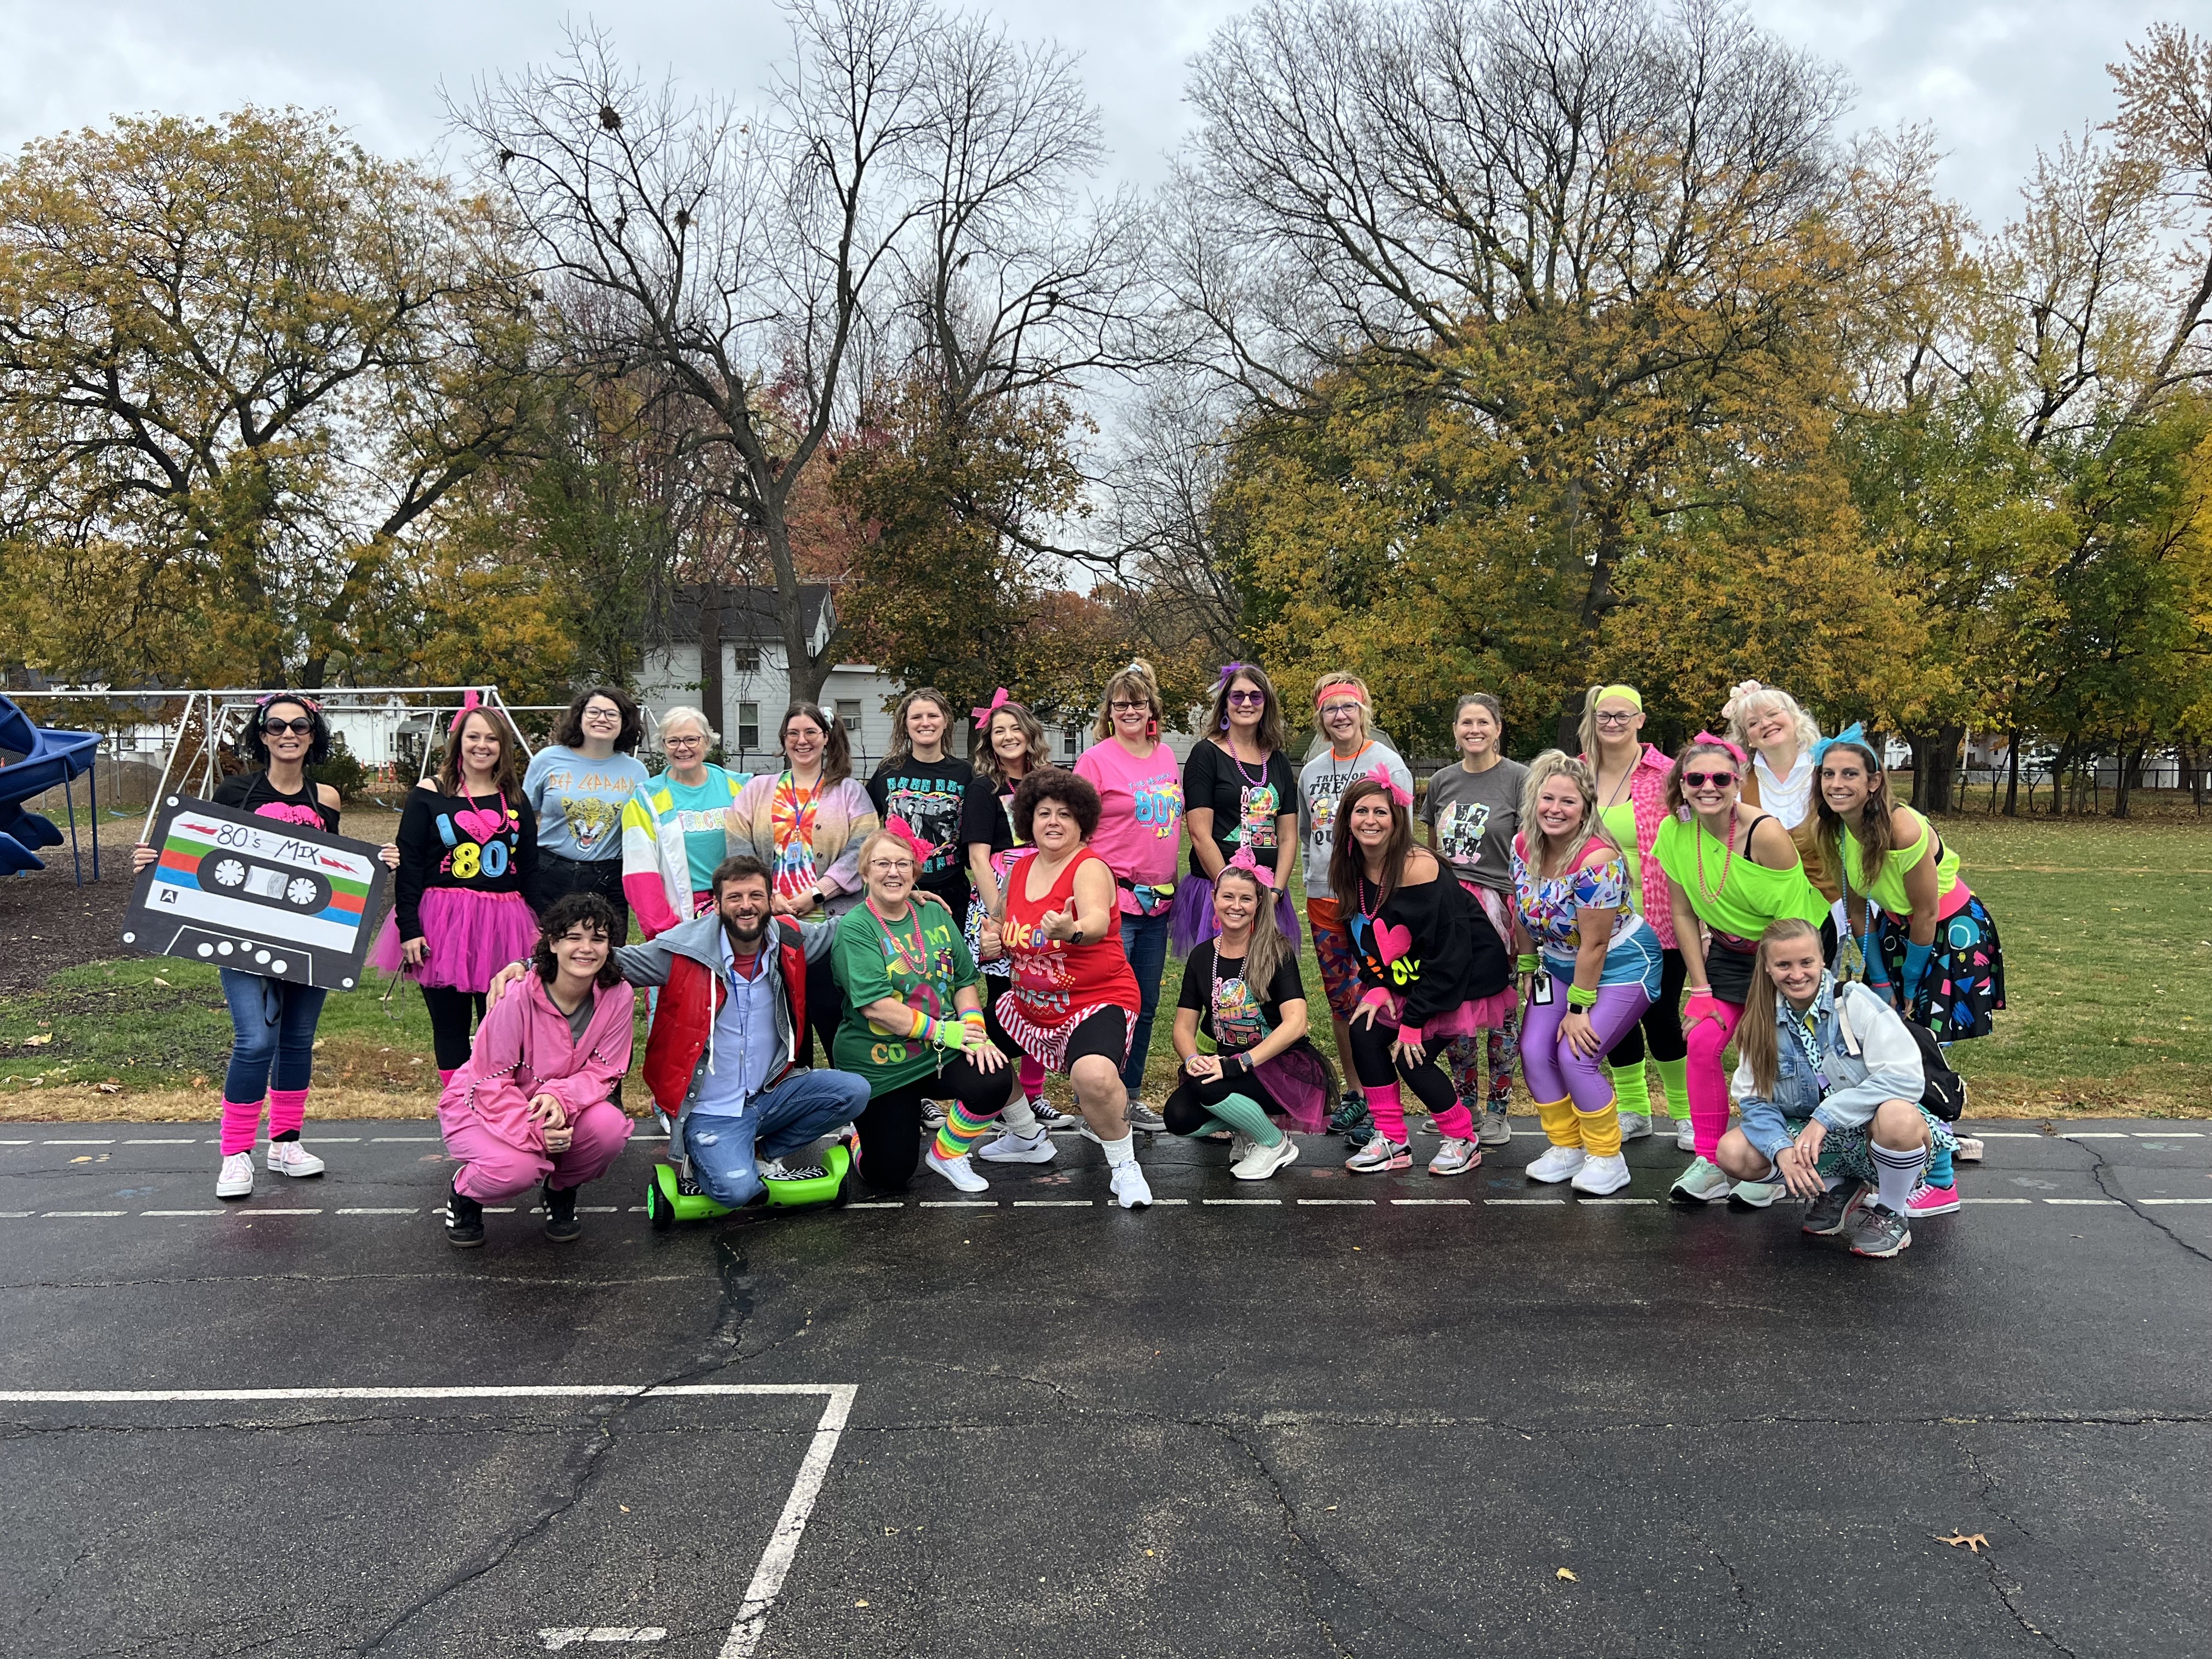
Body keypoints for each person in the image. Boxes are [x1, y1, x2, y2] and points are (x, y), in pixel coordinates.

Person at [490, 855, 872, 1211]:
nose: (747, 905)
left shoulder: (788, 937)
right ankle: (710, 1159)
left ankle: (759, 1154)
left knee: (854, 1091)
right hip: (711, 1108)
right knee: (737, 1193)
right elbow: (611, 959)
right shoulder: (684, 948)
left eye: (756, 895)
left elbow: (848, 929)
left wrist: (902, 901)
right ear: (718, 904)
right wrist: (527, 965)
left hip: (770, 1093)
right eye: (735, 897)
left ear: (771, 900)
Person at [131, 692, 397, 1200]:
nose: (288, 734)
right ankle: (235, 1155)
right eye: (275, 726)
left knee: (297, 1040)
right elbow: (199, 855)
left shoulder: (328, 799)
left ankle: (286, 1142)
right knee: (255, 1041)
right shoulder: (232, 792)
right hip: (240, 935)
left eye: (299, 725)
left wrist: (378, 866)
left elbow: (332, 870)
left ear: (314, 734)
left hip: (311, 939)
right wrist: (155, 860)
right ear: (262, 735)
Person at [1815, 724, 2006, 1217]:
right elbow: (1858, 913)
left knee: (1918, 1053)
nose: (1837, 783)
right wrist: (1880, 981)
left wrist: (1911, 986)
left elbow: (1926, 913)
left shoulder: (1903, 827)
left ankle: (1939, 1182)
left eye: (1850, 774)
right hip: (1896, 931)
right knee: (1889, 1047)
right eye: (1829, 774)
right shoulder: (1838, 827)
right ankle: (1897, 1166)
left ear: (1874, 782)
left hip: (1947, 934)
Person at [1651, 734, 1829, 1205]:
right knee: (1703, 1041)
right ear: (1682, 785)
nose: (1709, 787)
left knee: (1777, 1051)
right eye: (1696, 778)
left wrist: (1783, 982)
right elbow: (1684, 914)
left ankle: (1771, 1163)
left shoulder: (1764, 833)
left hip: (1791, 946)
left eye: (1721, 778)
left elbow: (1793, 922)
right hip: (1729, 955)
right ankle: (1711, 1161)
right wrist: (1701, 987)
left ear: (1739, 781)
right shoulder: (1674, 832)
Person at [1711, 918, 1955, 1259]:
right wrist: (1781, 1149)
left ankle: (1891, 1212)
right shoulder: (1759, 1020)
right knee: (1733, 1152)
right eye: (1784, 965)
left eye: (1806, 962)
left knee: (1898, 1115)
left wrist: (1826, 1117)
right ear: (1767, 968)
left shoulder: (1855, 1003)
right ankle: (1838, 1187)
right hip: (1816, 1140)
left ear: (1823, 960)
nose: (1797, 974)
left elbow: (1905, 1079)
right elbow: (1754, 1101)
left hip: (1872, 1133)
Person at [978, 766, 1157, 1207]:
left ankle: (1124, 1165)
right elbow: (999, 922)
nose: (1053, 822)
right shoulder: (1019, 871)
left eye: (1064, 814)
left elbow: (1096, 921)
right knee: (973, 1050)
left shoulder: (1088, 866)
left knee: (1093, 1076)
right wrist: (991, 939)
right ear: (1028, 821)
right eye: (1043, 813)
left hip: (1095, 1000)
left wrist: (1071, 929)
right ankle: (1026, 1135)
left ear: (1082, 823)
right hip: (1028, 1005)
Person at [1330, 771, 1513, 1175]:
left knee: (1410, 1056)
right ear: (1348, 818)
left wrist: (1414, 1020)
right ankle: (1393, 1141)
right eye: (1361, 811)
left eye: (1381, 811)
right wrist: (1378, 986)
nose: (1371, 820)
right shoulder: (1352, 865)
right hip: (1414, 975)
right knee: (1363, 1033)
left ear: (1397, 820)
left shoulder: (1418, 867)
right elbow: (1364, 934)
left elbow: (1450, 953)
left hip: (1463, 975)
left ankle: (1463, 1140)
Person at [438, 892, 635, 1247]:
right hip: (481, 1106)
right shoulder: (516, 995)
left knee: (609, 1129)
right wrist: (536, 1132)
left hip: (561, 1105)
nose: (586, 948)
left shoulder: (618, 994)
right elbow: (489, 1082)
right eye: (574, 937)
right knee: (517, 1169)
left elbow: (606, 1069)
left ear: (610, 946)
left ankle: (560, 1190)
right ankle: (465, 1193)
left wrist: (559, 1096)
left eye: (598, 939)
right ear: (553, 942)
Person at [832, 821, 1018, 1194]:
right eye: (882, 864)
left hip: (938, 1053)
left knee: (995, 1075)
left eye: (903, 864)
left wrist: (975, 1033)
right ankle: (857, 1138)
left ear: (915, 872)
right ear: (865, 871)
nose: (893, 873)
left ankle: (948, 1153)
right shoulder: (855, 928)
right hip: (880, 1064)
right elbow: (877, 1008)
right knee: (891, 1175)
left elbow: (964, 980)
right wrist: (949, 1032)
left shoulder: (933, 912)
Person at [1508, 753, 1663, 1196]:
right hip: (1556, 961)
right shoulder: (1523, 845)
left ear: (1586, 809)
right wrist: (1526, 964)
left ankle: (1607, 1157)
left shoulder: (1598, 860)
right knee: (1536, 1049)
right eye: (1547, 798)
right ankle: (1566, 1146)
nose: (1555, 809)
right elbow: (1522, 909)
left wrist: (1578, 1008)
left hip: (1620, 962)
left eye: (1568, 802)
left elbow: (1594, 944)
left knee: (1577, 1054)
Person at [374, 699, 543, 1084]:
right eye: (473, 737)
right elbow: (411, 865)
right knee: (449, 1027)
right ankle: (459, 1112)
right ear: (458, 742)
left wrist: (543, 927)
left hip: (505, 924)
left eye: (491, 739)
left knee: (499, 1023)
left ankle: (494, 1105)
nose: (482, 746)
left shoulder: (514, 799)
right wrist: (409, 927)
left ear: (503, 747)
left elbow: (530, 869)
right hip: (443, 922)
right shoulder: (429, 794)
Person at [1296, 673, 1414, 1143]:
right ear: (1321, 718)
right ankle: (1355, 1094)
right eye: (1331, 709)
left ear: (1363, 710)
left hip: (1374, 897)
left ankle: (1383, 1097)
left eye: (1348, 707)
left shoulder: (1387, 763)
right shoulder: (1311, 771)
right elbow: (1308, 835)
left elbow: (1401, 833)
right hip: (1325, 896)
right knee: (1341, 1000)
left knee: (1379, 992)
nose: (1340, 716)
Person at [1165, 853, 1335, 1180]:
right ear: (1214, 899)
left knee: (1208, 1086)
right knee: (1178, 1117)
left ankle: (1273, 1144)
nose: (1236, 905)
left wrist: (1238, 1064)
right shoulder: (1202, 956)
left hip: (1281, 1065)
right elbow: (1183, 1027)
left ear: (1259, 903)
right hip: (1228, 1060)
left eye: (1246, 898)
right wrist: (1191, 1058)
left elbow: (1296, 1023)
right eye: (1227, 896)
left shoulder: (1276, 950)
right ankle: (1248, 1128)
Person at [733, 702, 879, 1058]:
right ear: (784, 740)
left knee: (833, 1016)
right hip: (773, 924)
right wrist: (765, 896)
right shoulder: (757, 790)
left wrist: (817, 893)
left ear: (826, 738)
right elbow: (738, 846)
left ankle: (849, 1101)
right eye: (794, 733)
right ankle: (797, 1101)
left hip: (832, 927)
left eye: (811, 732)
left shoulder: (849, 791)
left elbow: (863, 848)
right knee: (784, 1022)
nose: (803, 740)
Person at [1071, 662, 1182, 1132]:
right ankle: (1099, 1103)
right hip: (1115, 903)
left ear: (1152, 707)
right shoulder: (1096, 760)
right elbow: (1076, 830)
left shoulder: (1166, 756)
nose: (1130, 710)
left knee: (1148, 1002)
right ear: (1110, 712)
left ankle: (1130, 1095)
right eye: (1121, 704)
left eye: (1138, 702)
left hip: (1160, 904)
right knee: (1110, 1004)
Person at [962, 689, 1072, 1139]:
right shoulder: (983, 789)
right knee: (1007, 1000)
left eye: (1014, 729)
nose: (1008, 737)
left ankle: (1034, 1091)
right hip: (1003, 906)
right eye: (998, 731)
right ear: (989, 741)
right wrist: (1000, 917)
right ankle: (1006, 1098)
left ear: (1030, 734)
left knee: (1041, 996)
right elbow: (978, 858)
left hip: (1045, 901)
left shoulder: (1048, 782)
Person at [1581, 685, 1686, 1149]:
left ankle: (1684, 1113)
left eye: (1624, 716)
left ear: (1641, 720)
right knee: (1615, 1019)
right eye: (1605, 716)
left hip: (1662, 918)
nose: (1613, 724)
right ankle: (1634, 1109)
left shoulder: (1668, 774)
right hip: (1599, 924)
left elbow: (1694, 841)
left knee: (1662, 1017)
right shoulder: (1579, 773)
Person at [1421, 692, 1530, 1148]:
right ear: (1456, 730)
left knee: (1501, 1012)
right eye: (1466, 722)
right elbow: (1432, 849)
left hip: (1499, 907)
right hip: (1451, 906)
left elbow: (1531, 847)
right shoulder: (1442, 781)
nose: (1474, 730)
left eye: (1483, 722)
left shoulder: (1519, 779)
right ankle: (1464, 1105)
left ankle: (1499, 1110)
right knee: (1456, 1008)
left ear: (1498, 728)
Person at [1170, 662, 1300, 956]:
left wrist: (1276, 892)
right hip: (1217, 893)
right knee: (1222, 983)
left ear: (1266, 704)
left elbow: (1289, 836)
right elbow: (1199, 834)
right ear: (1225, 703)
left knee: (1266, 981)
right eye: (1237, 696)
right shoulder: (1206, 755)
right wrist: (1231, 895)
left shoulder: (1278, 761)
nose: (1246, 703)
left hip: (1269, 893)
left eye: (1256, 696)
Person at [526, 686, 651, 944]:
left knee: (606, 953)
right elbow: (524, 818)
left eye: (612, 714)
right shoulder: (547, 760)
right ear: (579, 717)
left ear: (624, 722)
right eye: (593, 711)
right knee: (547, 951)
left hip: (608, 876)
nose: (602, 719)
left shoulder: (637, 771)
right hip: (550, 871)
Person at [620, 705, 750, 940]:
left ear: (707, 742)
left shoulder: (740, 787)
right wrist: (666, 930)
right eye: (673, 741)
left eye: (692, 739)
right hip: (682, 911)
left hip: (740, 904)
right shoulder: (645, 799)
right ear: (663, 746)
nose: (683, 748)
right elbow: (639, 873)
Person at [867, 687, 983, 922]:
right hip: (898, 891)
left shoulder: (966, 773)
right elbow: (862, 827)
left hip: (952, 894)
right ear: (906, 725)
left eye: (932, 716)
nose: (925, 723)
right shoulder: (888, 771)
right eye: (916, 717)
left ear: (946, 722)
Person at [1723, 680, 1837, 902]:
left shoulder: (1828, 771)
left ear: (1795, 718)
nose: (1766, 723)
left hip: (1835, 913)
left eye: (1773, 713)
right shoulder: (1738, 785)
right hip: (1768, 917)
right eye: (1753, 723)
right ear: (1748, 738)